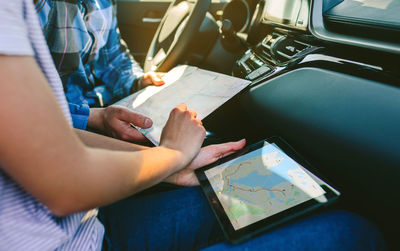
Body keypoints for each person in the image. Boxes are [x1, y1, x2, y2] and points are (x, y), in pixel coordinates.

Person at [0, 1, 386, 250]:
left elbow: (58, 133)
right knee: (353, 232)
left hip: (81, 226)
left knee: (289, 188)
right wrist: (169, 155)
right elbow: (65, 185)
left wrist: (174, 169)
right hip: (66, 234)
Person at [35, 0, 166, 142]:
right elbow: (24, 106)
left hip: (102, 108)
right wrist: (93, 118)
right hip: (60, 124)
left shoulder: (104, 3)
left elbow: (112, 57)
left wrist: (138, 81)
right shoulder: (34, 7)